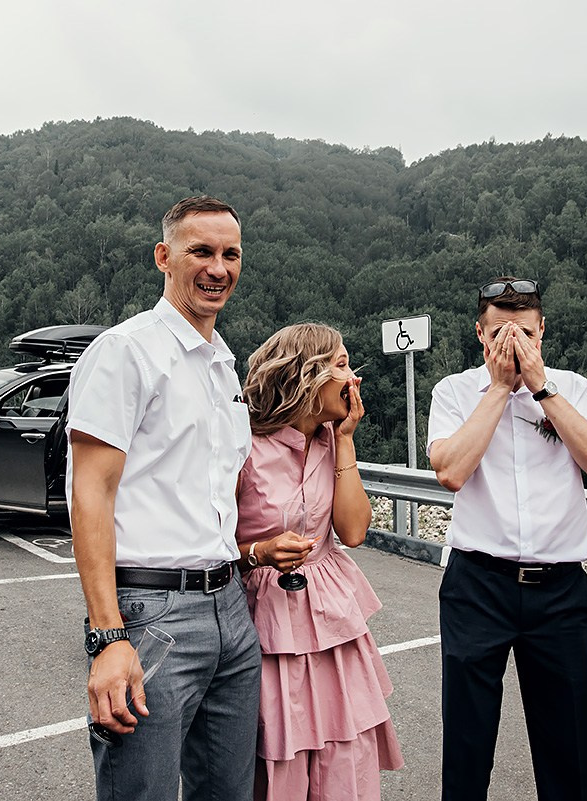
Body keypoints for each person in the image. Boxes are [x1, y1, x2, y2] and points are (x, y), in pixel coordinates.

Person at [67, 196, 260, 801]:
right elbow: (90, 492)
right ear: (164, 257)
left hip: (230, 609)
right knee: (141, 792)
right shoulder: (126, 351)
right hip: (153, 614)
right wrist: (107, 636)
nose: (218, 268)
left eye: (230, 254)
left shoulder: (224, 365)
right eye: (200, 251)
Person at [427, 277, 587, 801]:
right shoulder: (454, 391)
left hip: (559, 588)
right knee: (467, 742)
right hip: (478, 584)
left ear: (542, 332)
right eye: (500, 335)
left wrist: (540, 386)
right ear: (480, 335)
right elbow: (451, 471)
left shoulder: (571, 387)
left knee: (569, 746)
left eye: (526, 335)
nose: (514, 347)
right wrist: (500, 387)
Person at [235, 323, 403, 801]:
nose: (355, 379)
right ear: (305, 376)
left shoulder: (333, 439)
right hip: (264, 620)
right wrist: (258, 553)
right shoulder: (243, 445)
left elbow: (352, 532)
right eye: (343, 365)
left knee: (345, 754)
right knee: (277, 755)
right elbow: (210, 544)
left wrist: (347, 440)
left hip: (333, 620)